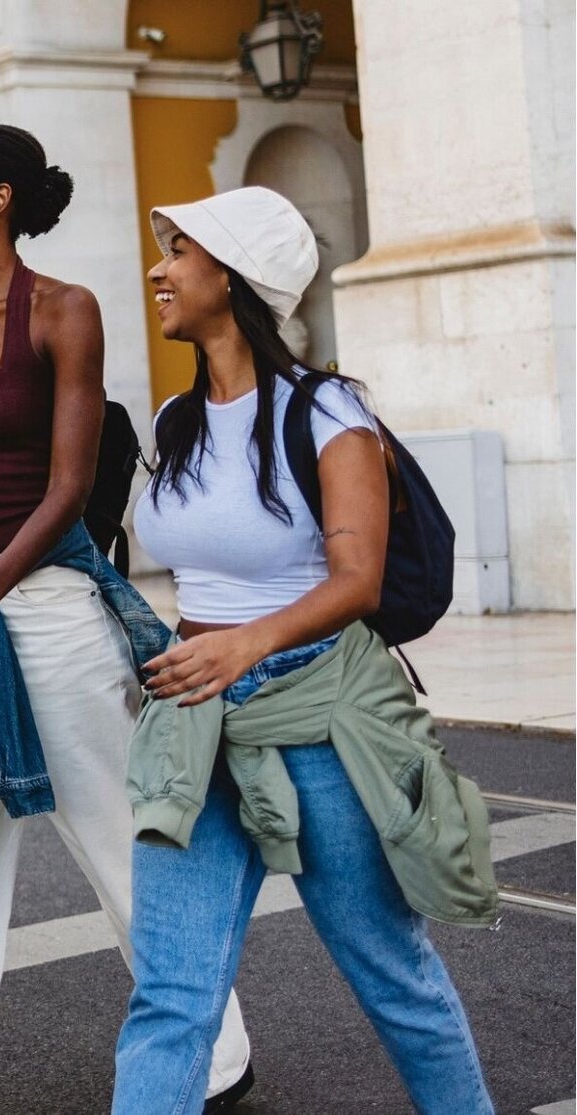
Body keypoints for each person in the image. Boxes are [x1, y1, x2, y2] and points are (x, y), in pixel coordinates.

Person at [0, 125, 252, 1113]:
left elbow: (67, 489)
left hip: (50, 607)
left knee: (115, 840)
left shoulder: (64, 311)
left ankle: (213, 1043)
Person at [113, 187, 495, 1115]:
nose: (159, 268)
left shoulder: (327, 412)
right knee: (170, 997)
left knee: (392, 977)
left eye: (181, 251)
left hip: (320, 714)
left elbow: (357, 580)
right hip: (195, 721)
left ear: (233, 277)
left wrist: (247, 644)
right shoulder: (175, 419)